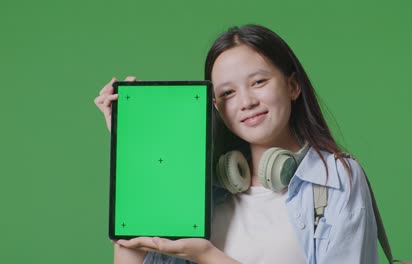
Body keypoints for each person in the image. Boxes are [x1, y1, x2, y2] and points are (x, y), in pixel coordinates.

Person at [94, 24, 378, 264]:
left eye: (258, 82)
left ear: (293, 86)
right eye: (228, 93)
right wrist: (133, 143)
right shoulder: (200, 191)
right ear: (216, 107)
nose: (246, 102)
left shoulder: (335, 178)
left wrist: (208, 256)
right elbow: (131, 249)